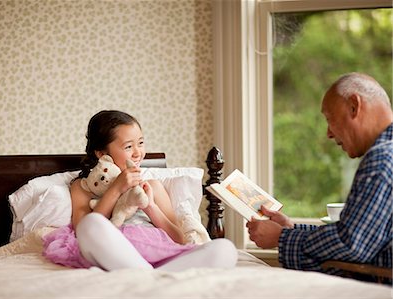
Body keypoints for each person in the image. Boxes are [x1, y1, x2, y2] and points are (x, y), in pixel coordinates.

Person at [43, 110, 238, 271]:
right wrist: (117, 188)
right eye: (129, 146)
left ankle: (145, 277)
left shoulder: (152, 185)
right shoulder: (84, 187)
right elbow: (81, 230)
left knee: (225, 249)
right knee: (91, 223)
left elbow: (179, 238)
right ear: (102, 153)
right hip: (115, 252)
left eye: (141, 143)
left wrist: (150, 206)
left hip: (160, 254)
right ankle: (149, 277)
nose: (138, 152)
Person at [246, 72, 393, 282]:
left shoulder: (383, 159)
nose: (328, 134)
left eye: (329, 119)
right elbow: (358, 234)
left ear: (354, 106)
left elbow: (351, 245)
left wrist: (281, 237)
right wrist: (291, 229)